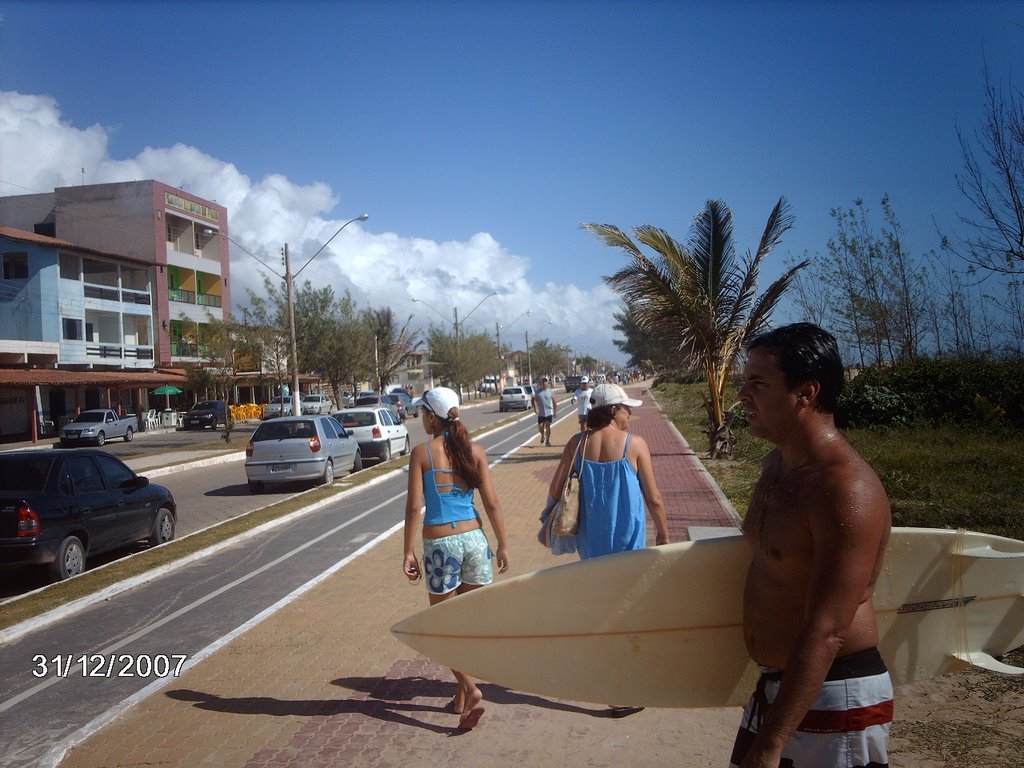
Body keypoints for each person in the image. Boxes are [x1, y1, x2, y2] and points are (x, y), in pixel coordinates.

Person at [730, 323, 893, 768]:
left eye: (758, 384)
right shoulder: (777, 464)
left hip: (836, 693)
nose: (743, 395)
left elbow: (828, 629)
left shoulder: (845, 489)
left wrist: (769, 745)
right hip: (780, 688)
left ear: (805, 392)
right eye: (745, 382)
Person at [402, 387, 510, 730]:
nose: (422, 419)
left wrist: (407, 550)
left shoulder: (423, 452)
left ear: (433, 417)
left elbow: (414, 508)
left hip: (441, 546)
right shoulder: (475, 451)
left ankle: (471, 687)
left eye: (423, 413)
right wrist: (503, 544)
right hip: (476, 541)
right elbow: (492, 503)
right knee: (466, 623)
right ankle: (461, 697)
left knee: (441, 627)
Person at [532, 376, 557, 446]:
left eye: (545, 381)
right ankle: (543, 435)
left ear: (547, 382)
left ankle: (547, 441)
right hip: (541, 413)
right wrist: (535, 408)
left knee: (548, 426)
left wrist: (555, 411)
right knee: (540, 427)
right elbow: (534, 400)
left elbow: (555, 402)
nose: (544, 383)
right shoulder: (538, 392)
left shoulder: (550, 392)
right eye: (543, 381)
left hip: (549, 412)